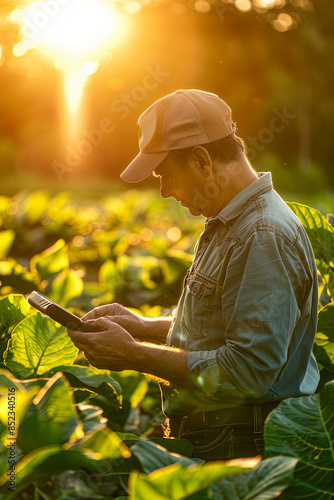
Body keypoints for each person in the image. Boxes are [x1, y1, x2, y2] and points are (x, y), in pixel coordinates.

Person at [67, 89, 320, 461]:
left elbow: (246, 372)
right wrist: (141, 325)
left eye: (165, 174)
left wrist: (133, 355)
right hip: (227, 433)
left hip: (241, 443)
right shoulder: (228, 222)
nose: (165, 190)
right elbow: (220, 325)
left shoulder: (262, 234)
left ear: (202, 160)